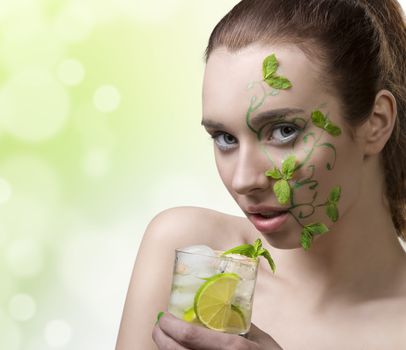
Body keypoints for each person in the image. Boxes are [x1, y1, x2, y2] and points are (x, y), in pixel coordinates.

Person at [116, 0, 406, 348]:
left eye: (284, 130)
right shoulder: (194, 259)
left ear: (376, 123)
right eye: (224, 138)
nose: (243, 180)